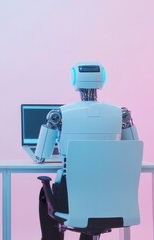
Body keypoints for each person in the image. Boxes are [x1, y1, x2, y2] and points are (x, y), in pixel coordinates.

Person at [34, 63, 139, 240]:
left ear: (74, 79)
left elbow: (40, 157)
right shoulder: (120, 114)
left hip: (72, 200)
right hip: (112, 198)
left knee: (47, 193)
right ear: (102, 79)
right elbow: (133, 152)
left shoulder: (60, 114)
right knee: (89, 194)